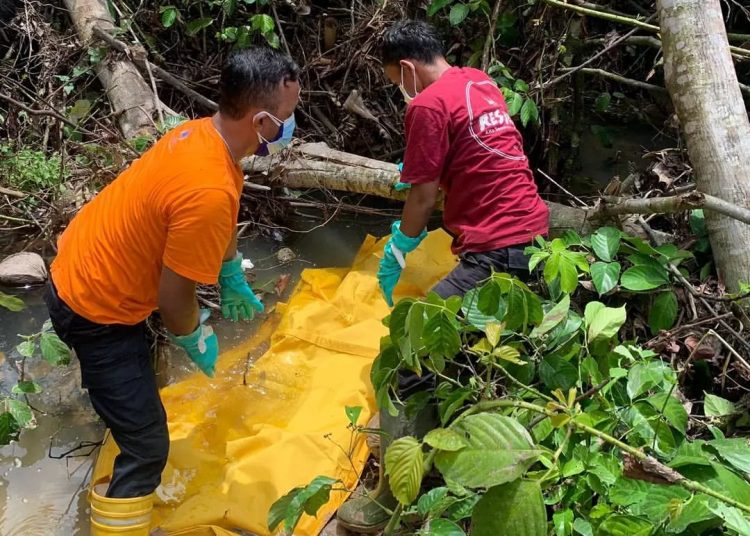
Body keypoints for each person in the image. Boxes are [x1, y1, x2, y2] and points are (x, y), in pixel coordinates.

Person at [44, 47, 300, 535]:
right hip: (94, 307)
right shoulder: (206, 187)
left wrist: (230, 275)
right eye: (286, 118)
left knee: (138, 393)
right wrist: (195, 337)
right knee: (147, 446)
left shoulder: (205, 137)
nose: (290, 127)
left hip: (85, 264)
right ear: (262, 120)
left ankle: (118, 409)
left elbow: (225, 202)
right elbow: (174, 299)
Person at [337, 21, 549, 533]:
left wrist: (399, 246)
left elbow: (423, 197)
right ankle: (460, 464)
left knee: (401, 360)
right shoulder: (479, 81)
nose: (397, 90)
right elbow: (473, 157)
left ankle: (398, 501)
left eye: (394, 80)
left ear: (407, 68)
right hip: (539, 243)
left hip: (495, 253)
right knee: (472, 357)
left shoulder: (426, 104)